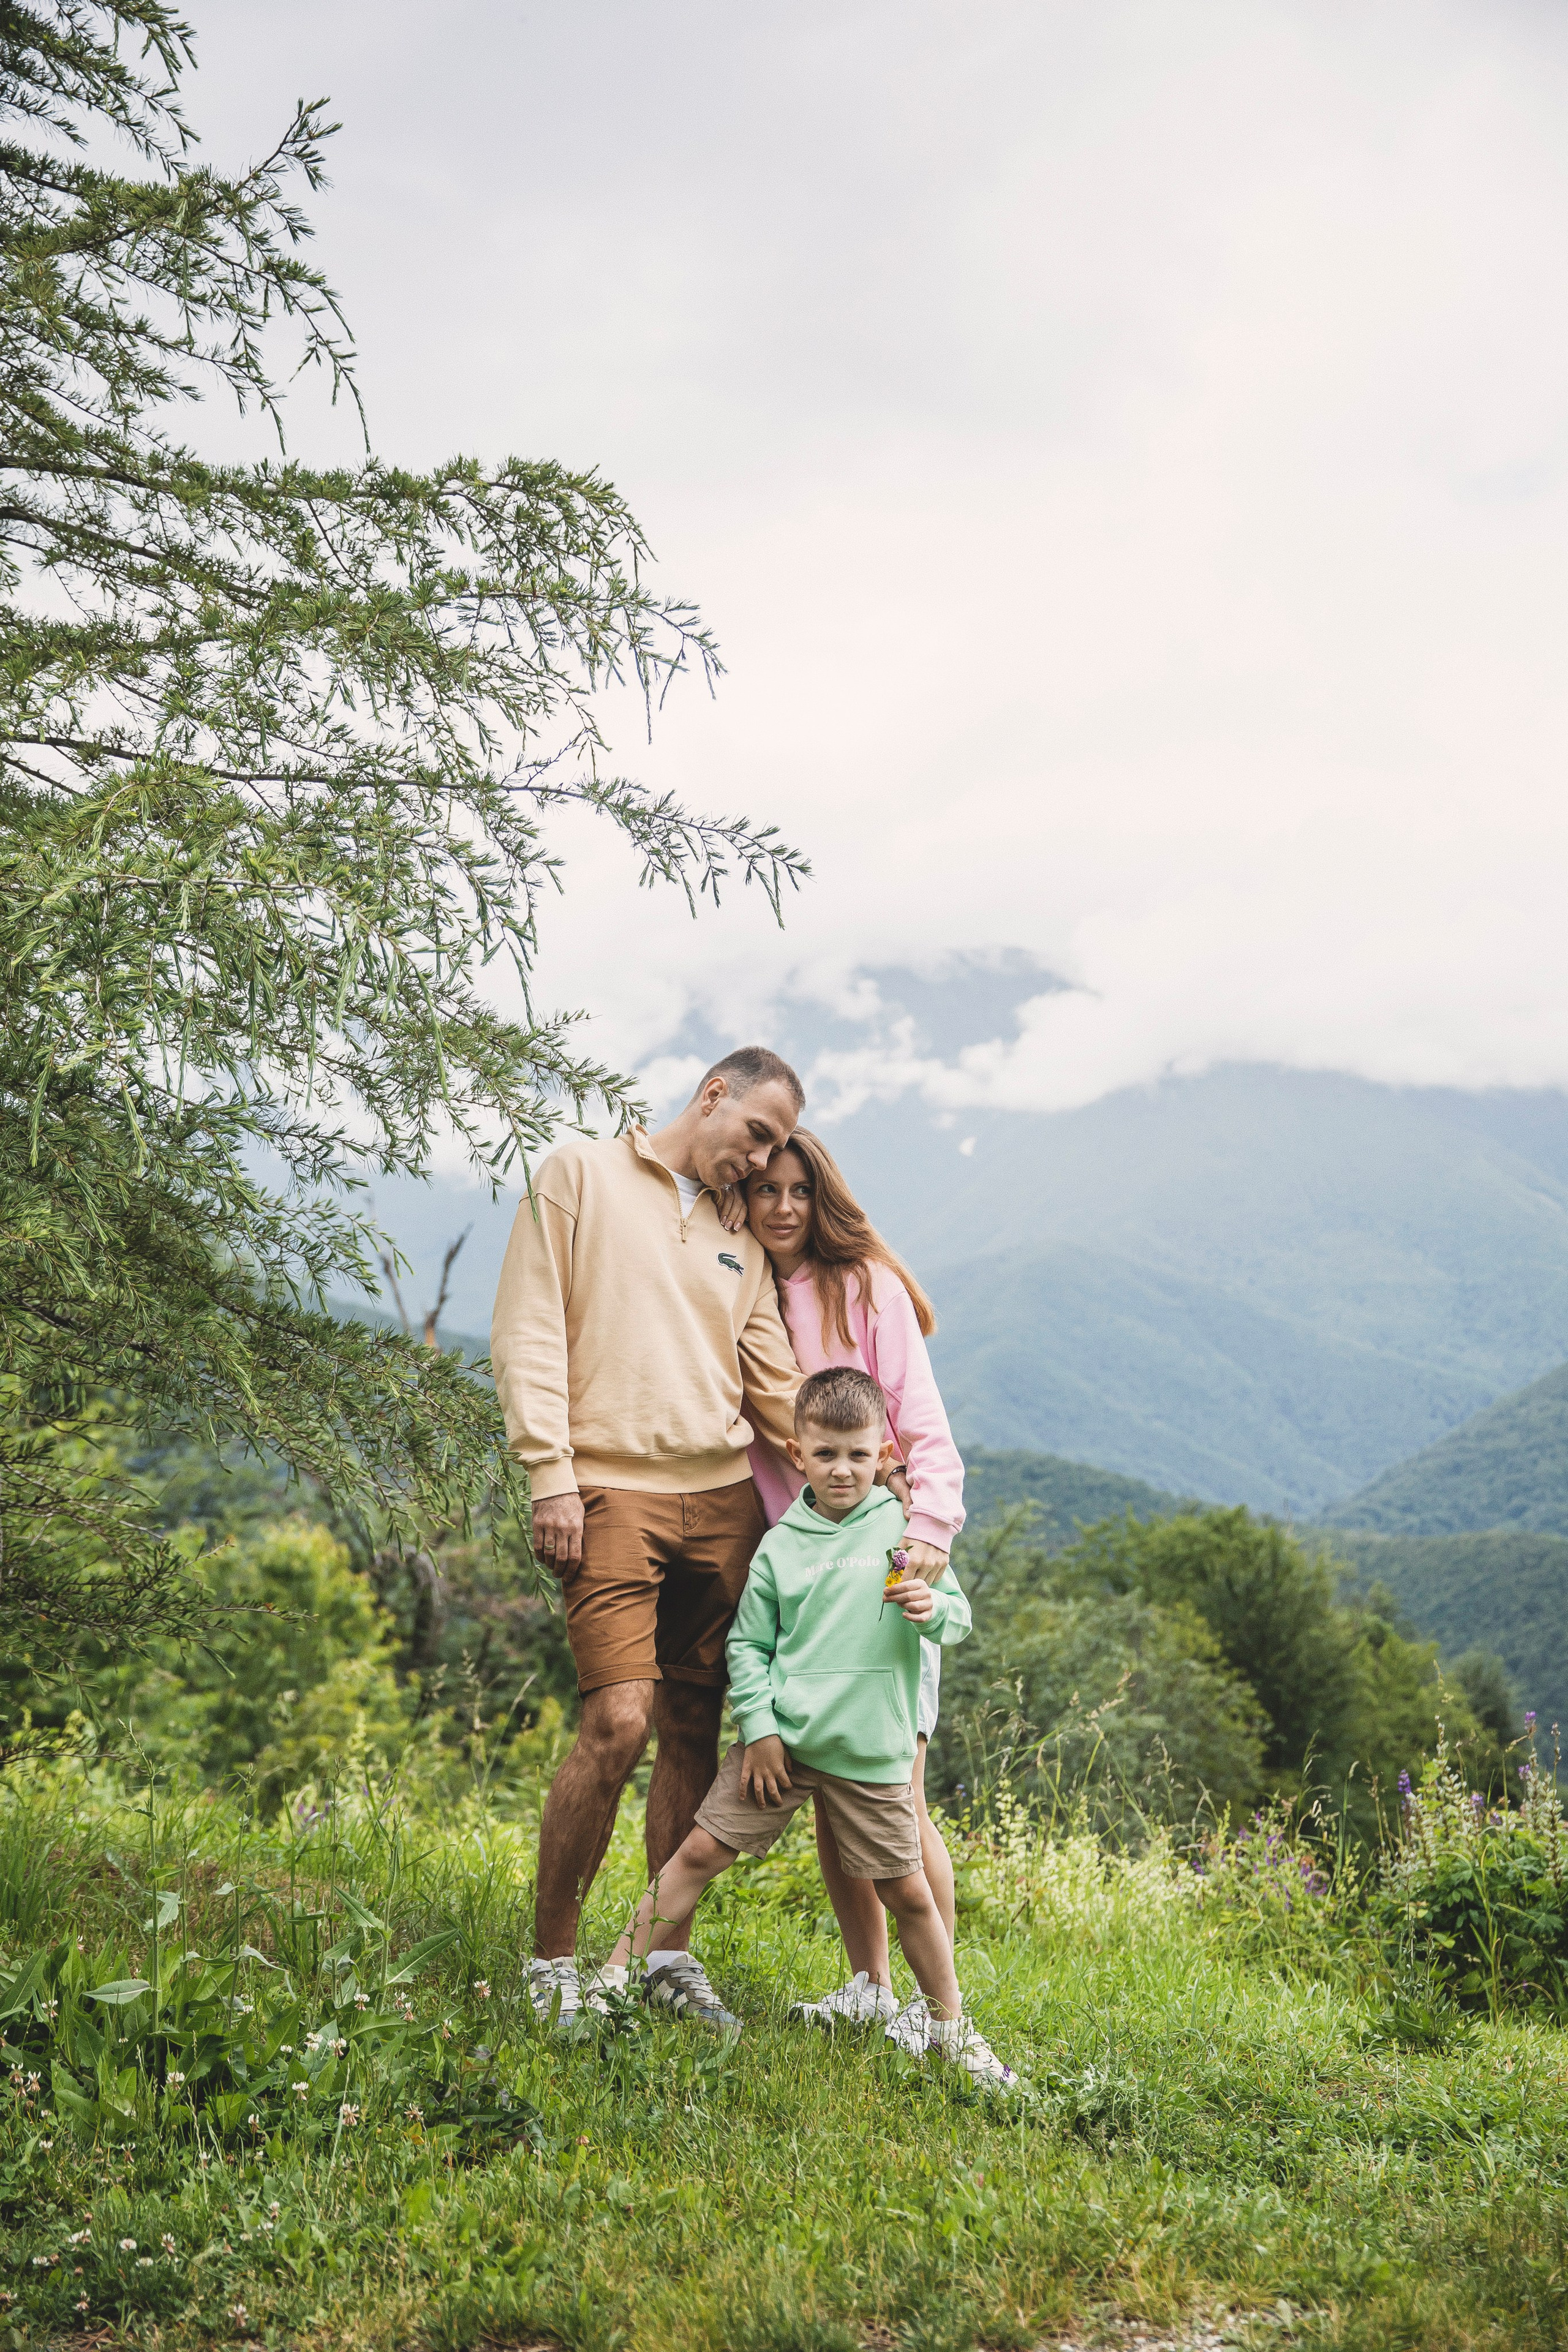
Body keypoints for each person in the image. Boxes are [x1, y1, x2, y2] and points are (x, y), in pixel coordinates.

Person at [489, 1046, 807, 2027]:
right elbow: (529, 1327)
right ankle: (552, 1968)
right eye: (757, 1134)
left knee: (693, 1732)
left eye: (779, 1149)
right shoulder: (578, 1173)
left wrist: (873, 1464)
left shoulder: (738, 1235)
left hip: (724, 1506)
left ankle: (662, 1959)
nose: (760, 1163)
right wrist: (550, 1473)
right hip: (608, 1494)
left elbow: (774, 1380)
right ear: (712, 1095)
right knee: (616, 1723)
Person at [604, 1367, 1016, 2089]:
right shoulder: (781, 1546)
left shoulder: (899, 1530)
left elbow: (958, 1618)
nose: (843, 1470)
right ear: (798, 1455)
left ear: (883, 1454)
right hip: (782, 1747)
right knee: (697, 1854)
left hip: (871, 1753)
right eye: (826, 1454)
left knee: (909, 1894)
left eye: (859, 1455)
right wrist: (759, 1729)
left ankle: (951, 2030)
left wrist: (931, 1607)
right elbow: (747, 1647)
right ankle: (611, 1981)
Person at [722, 1127, 965, 2045]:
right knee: (830, 1788)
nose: (781, 1207)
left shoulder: (866, 1285)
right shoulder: (741, 1287)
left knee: (896, 1795)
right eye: (764, 1190)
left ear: (822, 1197)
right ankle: (869, 1985)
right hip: (802, 1572)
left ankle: (942, 2012)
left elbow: (925, 1427)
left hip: (883, 1560)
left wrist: (929, 1533)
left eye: (798, 1190)